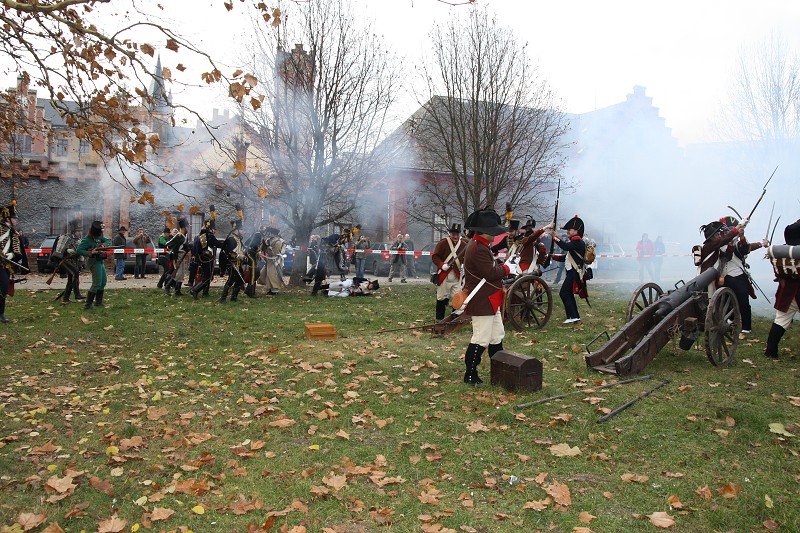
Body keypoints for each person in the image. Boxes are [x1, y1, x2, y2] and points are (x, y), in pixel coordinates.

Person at [461, 208, 515, 385]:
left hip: (490, 299)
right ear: (486, 232)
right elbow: (490, 273)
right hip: (482, 300)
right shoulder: (478, 248)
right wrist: (508, 269)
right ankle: (470, 375)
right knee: (481, 339)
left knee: (496, 336)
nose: (496, 234)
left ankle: (498, 372)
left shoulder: (481, 246)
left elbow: (488, 269)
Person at [718, 216, 768, 335]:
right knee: (726, 301)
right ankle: (728, 322)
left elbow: (746, 249)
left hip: (738, 276)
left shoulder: (739, 242)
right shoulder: (720, 242)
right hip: (724, 277)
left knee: (743, 302)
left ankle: (746, 327)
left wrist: (742, 236)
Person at [764, 219, 800, 359]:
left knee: (780, 321)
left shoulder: (781, 254)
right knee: (780, 321)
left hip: (787, 292)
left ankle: (770, 352)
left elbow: (778, 273)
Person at [550, 215, 587, 324]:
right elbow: (567, 258)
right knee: (568, 293)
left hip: (574, 272)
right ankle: (574, 316)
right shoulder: (574, 242)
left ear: (576, 231)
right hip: (571, 272)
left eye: (570, 230)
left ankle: (573, 316)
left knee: (564, 293)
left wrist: (555, 237)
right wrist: (553, 256)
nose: (568, 232)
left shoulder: (577, 241)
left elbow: (565, 247)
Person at [431, 223, 467, 321]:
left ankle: (453, 320)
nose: (455, 236)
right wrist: (442, 265)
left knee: (457, 298)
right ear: (449, 233)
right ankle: (439, 320)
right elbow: (435, 257)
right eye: (453, 234)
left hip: (457, 276)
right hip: (444, 275)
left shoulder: (463, 245)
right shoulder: (443, 243)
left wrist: (464, 264)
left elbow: (465, 258)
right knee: (441, 297)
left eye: (457, 234)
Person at [76, 220, 112, 309]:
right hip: (93, 261)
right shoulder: (86, 240)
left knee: (103, 282)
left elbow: (108, 241)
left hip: (100, 261)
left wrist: (103, 245)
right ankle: (88, 304)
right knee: (96, 283)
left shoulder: (99, 237)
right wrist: (91, 252)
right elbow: (79, 250)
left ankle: (98, 302)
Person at [0, 202, 24, 323]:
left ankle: (1, 313)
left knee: (4, 288)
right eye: (14, 218)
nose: (16, 220)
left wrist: (8, 255)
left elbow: (16, 251)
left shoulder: (13, 233)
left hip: (4, 265)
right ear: (7, 218)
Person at [189, 218, 222, 300]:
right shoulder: (209, 235)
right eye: (214, 229)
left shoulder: (200, 235)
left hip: (201, 258)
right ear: (210, 228)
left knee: (206, 276)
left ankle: (205, 293)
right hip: (206, 258)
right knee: (208, 277)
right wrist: (226, 243)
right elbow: (217, 244)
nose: (214, 231)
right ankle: (195, 290)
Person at [218, 218, 246, 304]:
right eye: (242, 229)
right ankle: (223, 298)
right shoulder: (231, 239)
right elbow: (229, 252)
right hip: (232, 263)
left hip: (238, 263)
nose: (243, 231)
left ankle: (234, 297)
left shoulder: (238, 239)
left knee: (240, 280)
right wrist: (238, 256)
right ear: (237, 230)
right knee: (231, 280)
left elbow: (241, 249)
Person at [55, 225, 84, 304]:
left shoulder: (78, 240)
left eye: (80, 231)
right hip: (65, 261)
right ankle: (77, 294)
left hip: (74, 261)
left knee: (71, 280)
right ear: (74, 232)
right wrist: (67, 250)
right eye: (78, 231)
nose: (79, 233)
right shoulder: (66, 238)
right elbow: (59, 250)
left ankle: (66, 298)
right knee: (75, 274)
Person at [163, 219, 189, 296]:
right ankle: (168, 285)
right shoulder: (179, 236)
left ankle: (177, 291)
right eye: (187, 227)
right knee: (178, 273)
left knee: (181, 274)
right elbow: (174, 248)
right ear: (183, 228)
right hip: (177, 257)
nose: (188, 228)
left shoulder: (184, 236)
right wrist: (176, 260)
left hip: (182, 256)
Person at [259, 226, 286, 296]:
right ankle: (270, 289)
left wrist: (267, 247)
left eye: (269, 232)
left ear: (272, 233)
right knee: (264, 274)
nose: (268, 234)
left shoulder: (278, 242)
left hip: (275, 261)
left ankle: (274, 290)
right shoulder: (270, 240)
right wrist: (264, 247)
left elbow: (274, 253)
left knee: (273, 275)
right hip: (270, 260)